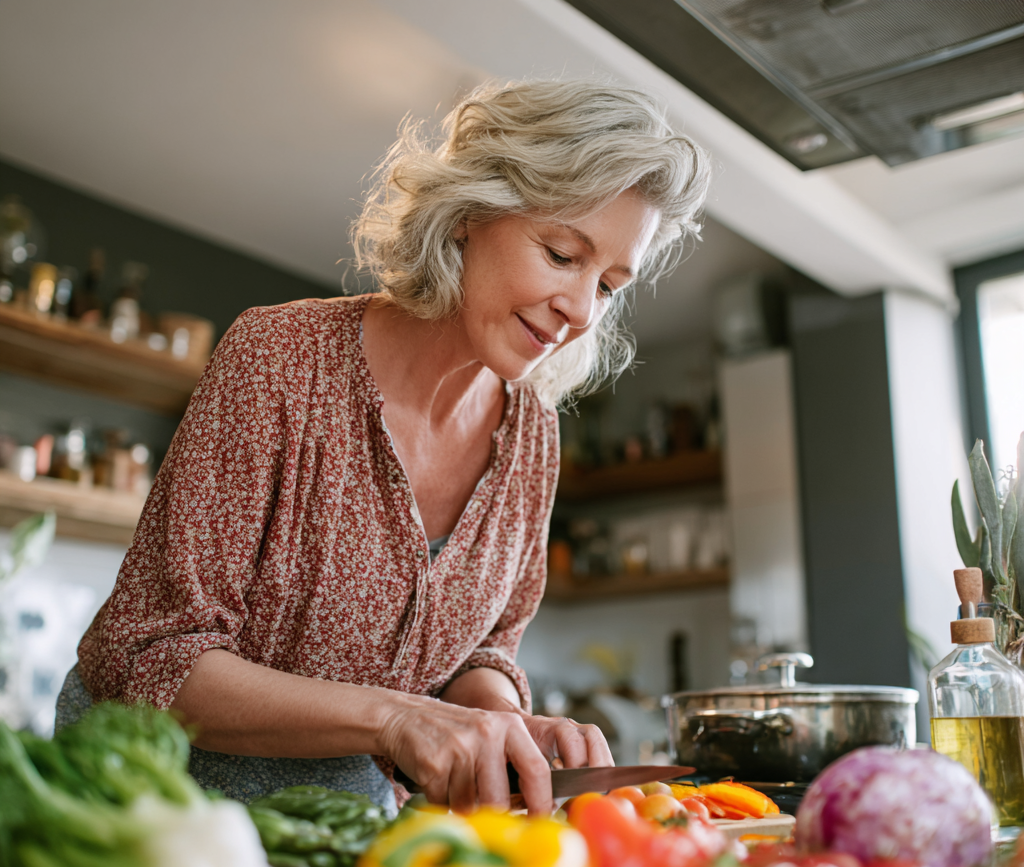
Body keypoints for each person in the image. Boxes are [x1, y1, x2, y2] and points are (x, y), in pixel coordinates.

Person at [56, 79, 710, 816]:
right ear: (470, 213)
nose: (582, 310)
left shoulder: (532, 434)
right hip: (147, 814)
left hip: (340, 825)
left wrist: (500, 719)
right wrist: (397, 718)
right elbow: (151, 658)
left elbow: (482, 650)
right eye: (562, 254)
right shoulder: (279, 359)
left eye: (611, 286)